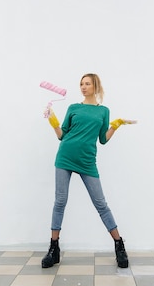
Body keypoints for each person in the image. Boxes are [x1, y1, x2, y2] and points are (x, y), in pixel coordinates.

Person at [41, 73, 135, 269]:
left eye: (87, 84)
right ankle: (53, 248)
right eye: (81, 84)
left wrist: (115, 125)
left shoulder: (103, 111)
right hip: (65, 157)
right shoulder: (73, 107)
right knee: (60, 202)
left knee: (101, 204)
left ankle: (119, 245)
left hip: (87, 161)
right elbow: (62, 136)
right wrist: (53, 122)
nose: (83, 87)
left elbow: (103, 139)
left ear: (95, 86)